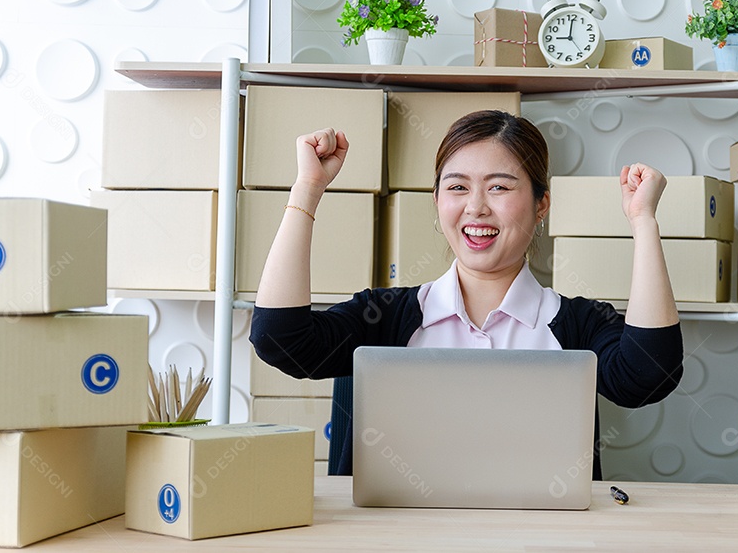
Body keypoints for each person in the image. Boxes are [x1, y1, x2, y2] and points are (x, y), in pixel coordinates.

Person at [250, 110, 684, 478]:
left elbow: (649, 376)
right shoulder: (382, 317)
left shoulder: (577, 326)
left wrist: (643, 220)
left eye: (499, 186)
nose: (476, 207)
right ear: (437, 200)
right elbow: (279, 339)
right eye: (457, 187)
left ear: (541, 205)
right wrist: (307, 190)